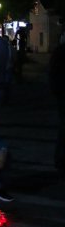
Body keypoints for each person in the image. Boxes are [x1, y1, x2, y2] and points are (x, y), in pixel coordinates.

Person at [49, 31, 65, 174]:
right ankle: (60, 159)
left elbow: (53, 75)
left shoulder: (58, 52)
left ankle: (60, 159)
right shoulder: (59, 52)